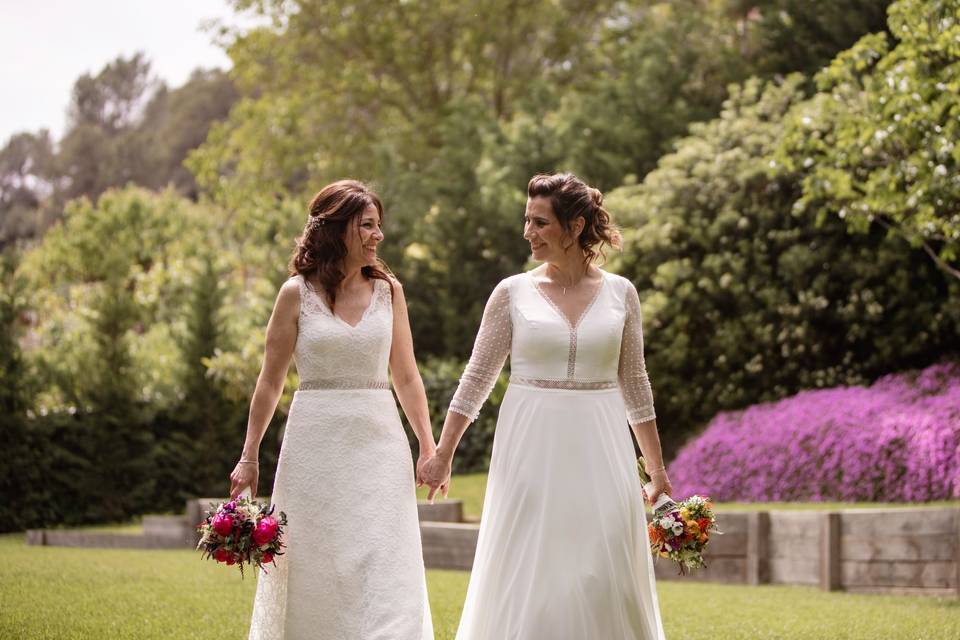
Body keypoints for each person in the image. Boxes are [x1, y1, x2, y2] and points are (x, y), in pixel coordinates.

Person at [418, 172, 670, 639]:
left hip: (603, 443)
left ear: (575, 228)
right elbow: (477, 377)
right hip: (531, 443)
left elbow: (635, 383)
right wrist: (444, 453)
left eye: (539, 222)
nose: (527, 232)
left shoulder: (622, 294)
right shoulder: (511, 292)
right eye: (526, 220)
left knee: (601, 563)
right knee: (534, 565)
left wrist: (656, 469)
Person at [230, 180, 436, 639]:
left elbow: (406, 375)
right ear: (337, 228)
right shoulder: (294, 294)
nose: (377, 235)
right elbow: (270, 380)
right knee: (314, 567)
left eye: (379, 226)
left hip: (379, 443)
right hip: (314, 448)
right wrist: (249, 454)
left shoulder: (390, 292)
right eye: (366, 225)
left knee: (386, 559)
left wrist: (428, 445)